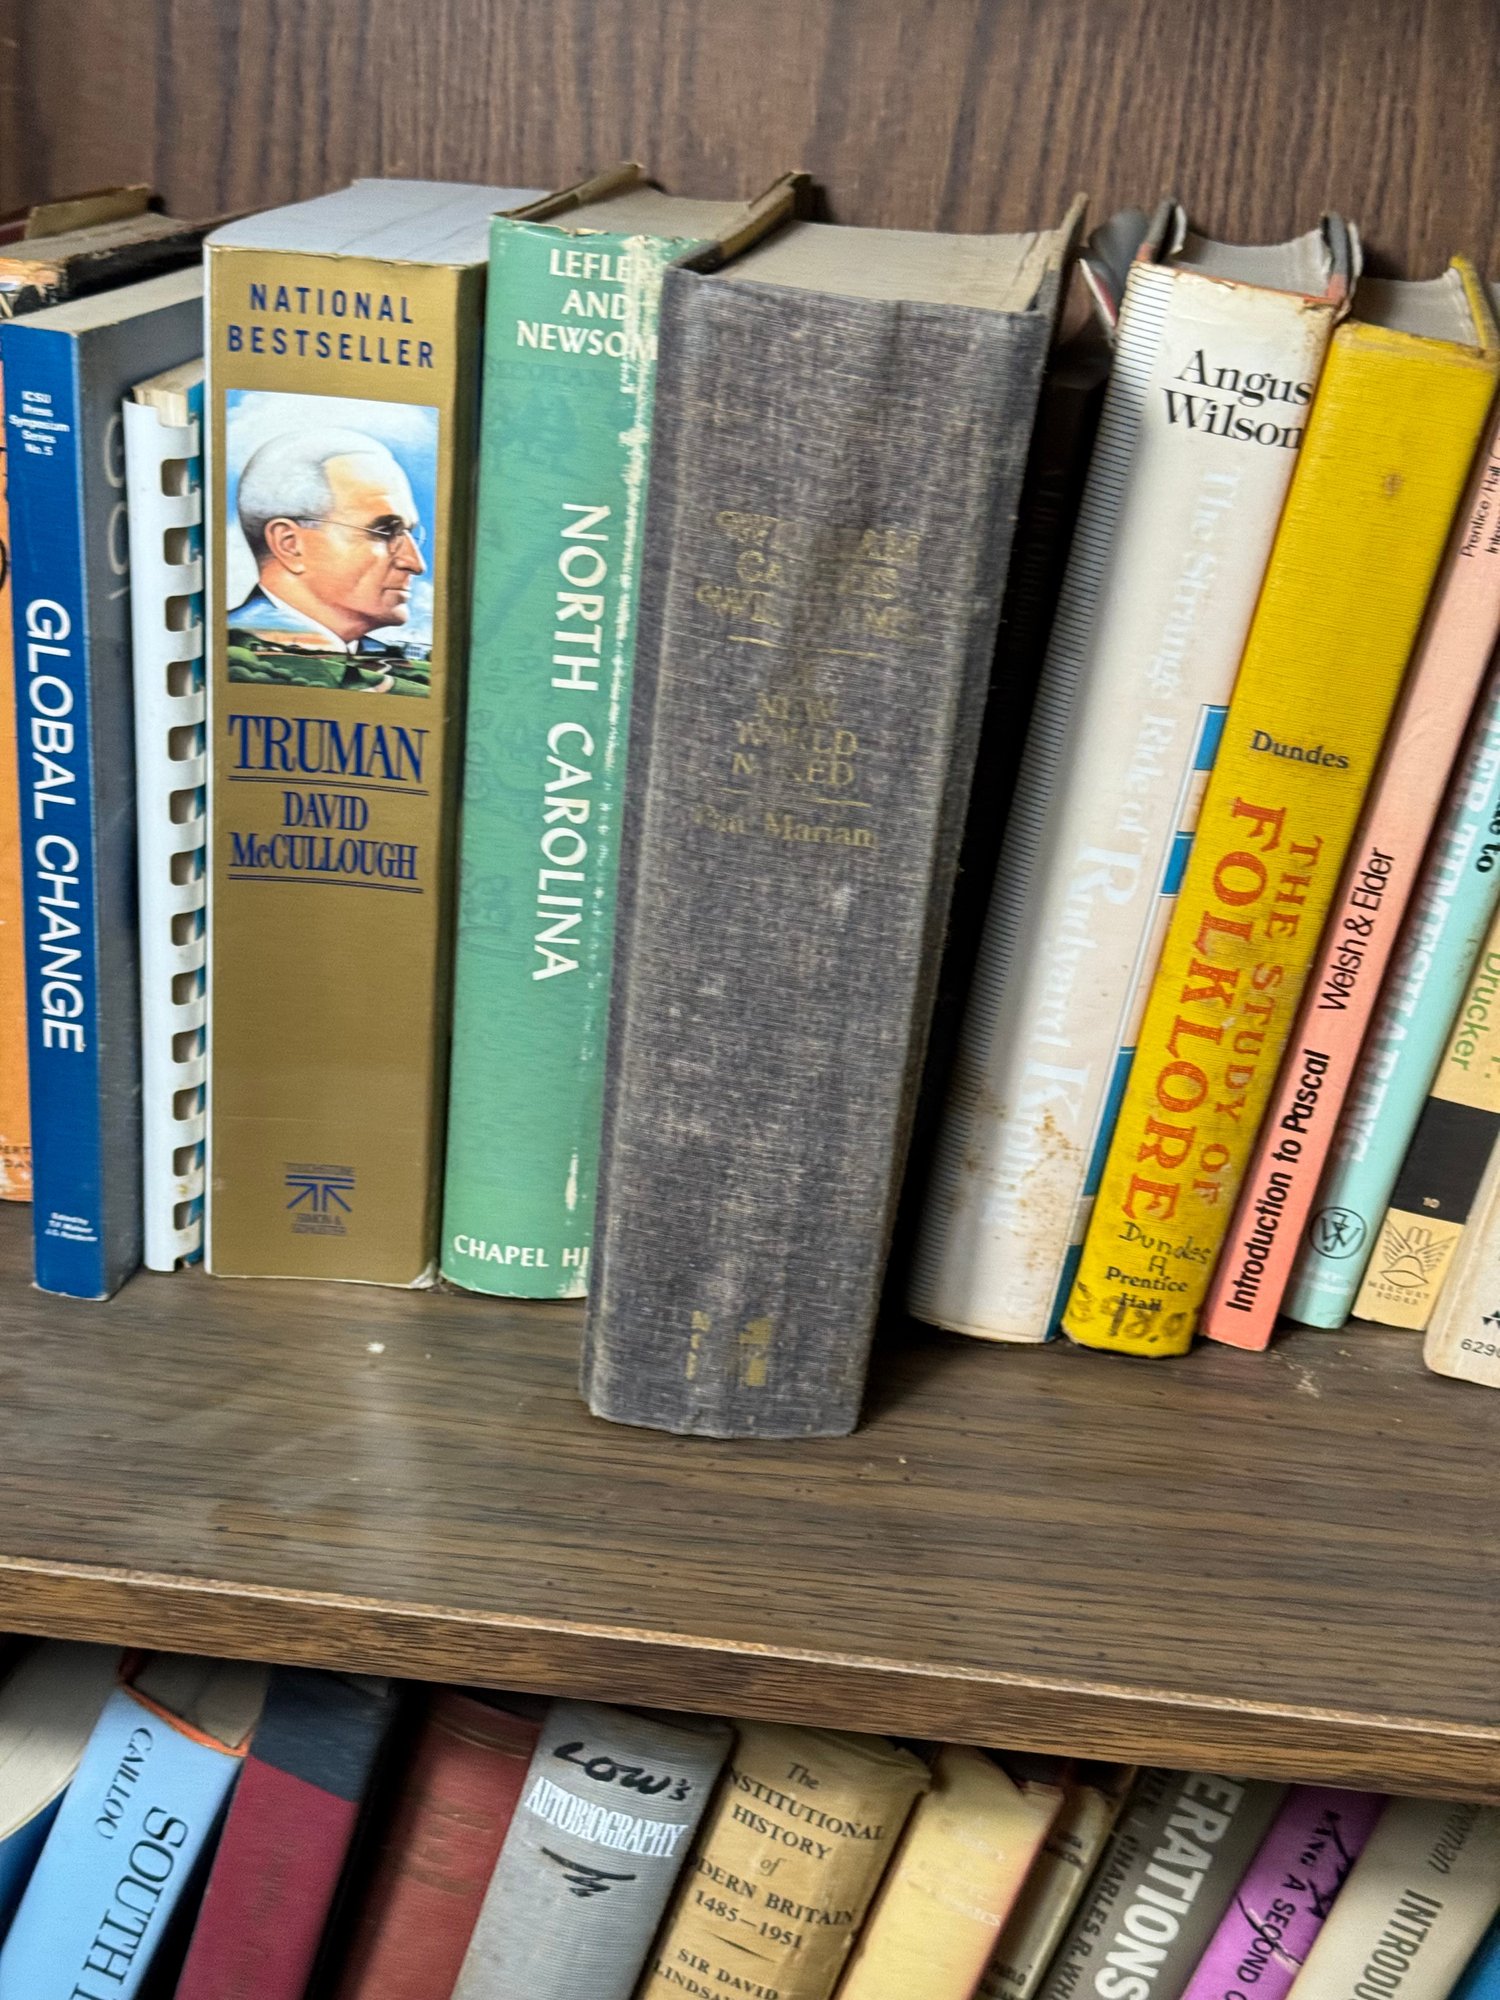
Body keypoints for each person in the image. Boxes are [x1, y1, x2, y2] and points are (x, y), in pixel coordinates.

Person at [228, 427, 428, 660]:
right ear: (289, 544)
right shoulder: (230, 649)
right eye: (383, 532)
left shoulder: (386, 658)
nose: (415, 563)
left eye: (409, 533)